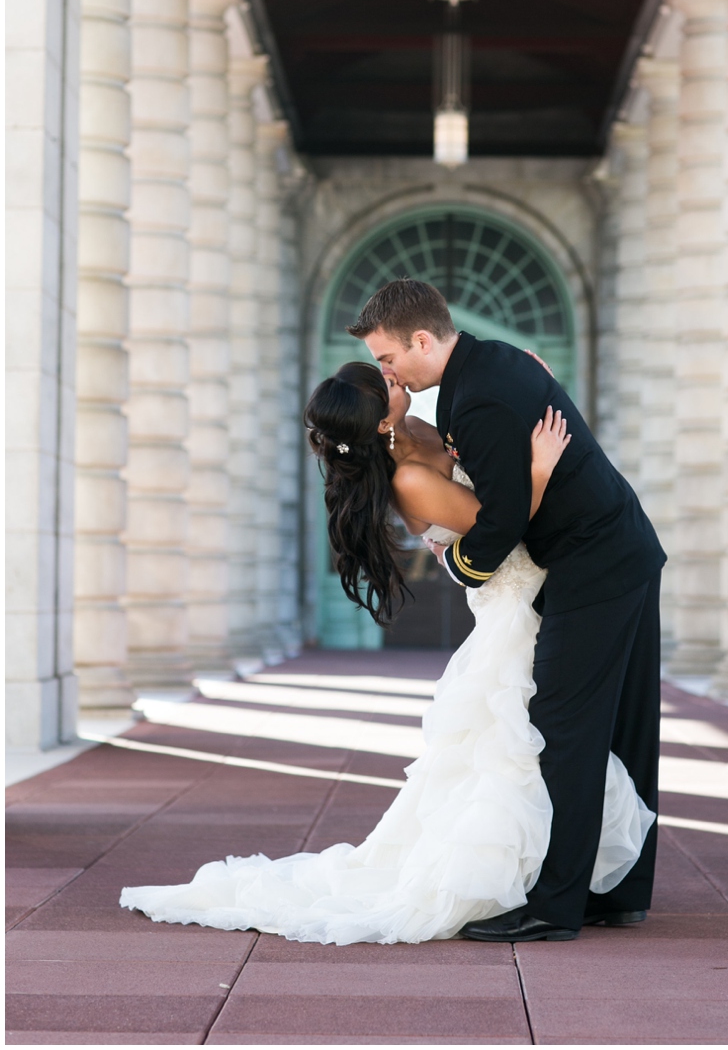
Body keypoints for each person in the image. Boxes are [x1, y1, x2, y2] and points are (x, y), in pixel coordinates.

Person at [119, 350, 655, 945]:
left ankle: (571, 885)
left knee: (549, 740)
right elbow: (501, 529)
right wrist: (539, 469)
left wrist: (529, 383)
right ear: (379, 422)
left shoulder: (418, 430)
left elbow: (482, 452)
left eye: (388, 368)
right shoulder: (408, 477)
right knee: (524, 744)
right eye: (385, 381)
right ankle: (531, 885)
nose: (395, 378)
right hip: (512, 598)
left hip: (538, 586)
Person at [351, 279, 666, 942]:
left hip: (590, 562)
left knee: (561, 724)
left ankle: (557, 903)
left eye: (388, 358)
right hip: (617, 547)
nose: (389, 371)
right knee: (621, 719)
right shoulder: (493, 362)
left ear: (422, 340)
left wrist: (476, 549)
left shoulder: (477, 399)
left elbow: (495, 532)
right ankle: (618, 892)